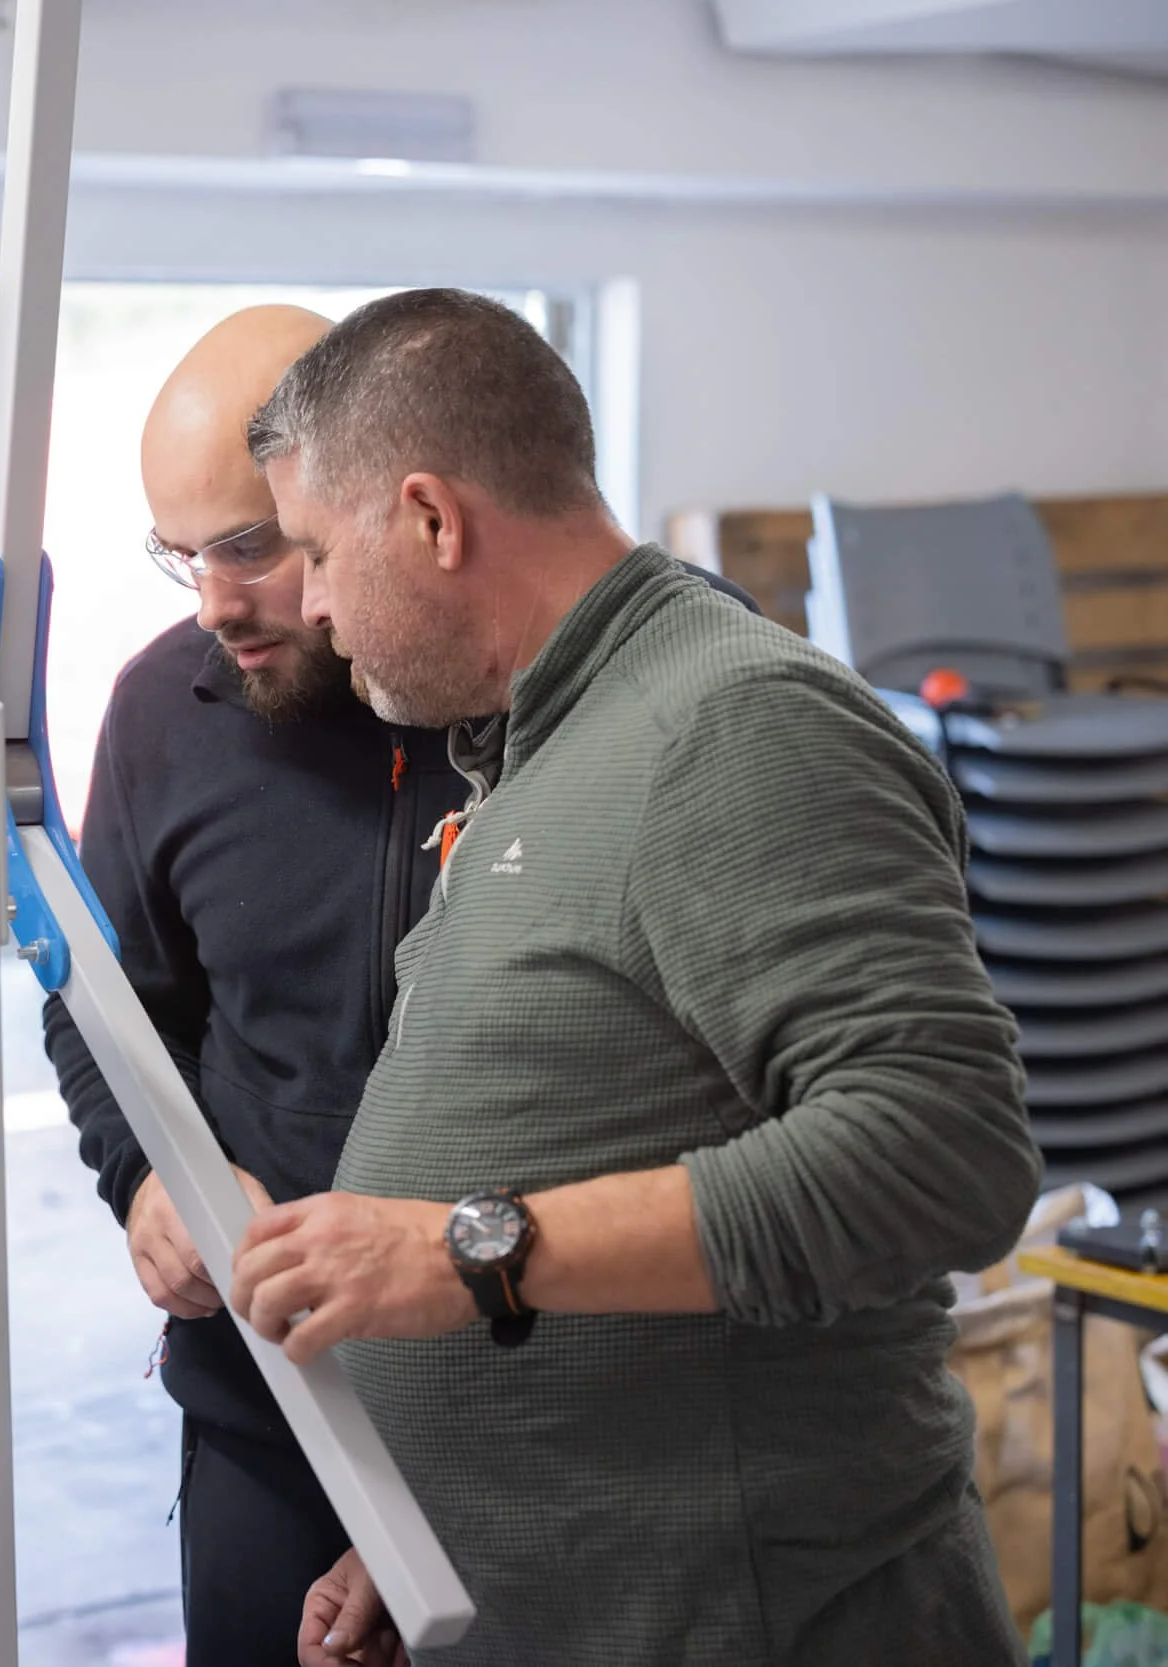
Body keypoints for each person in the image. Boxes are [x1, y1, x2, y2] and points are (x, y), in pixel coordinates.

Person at [225, 288, 1042, 1665]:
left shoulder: (734, 724)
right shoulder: (543, 737)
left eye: (312, 548)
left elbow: (943, 1148)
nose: (303, 600)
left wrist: (463, 1249)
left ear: (431, 518)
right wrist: (438, 1525)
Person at [42, 305, 459, 1666]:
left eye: (250, 546)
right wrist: (149, 1177)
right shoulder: (167, 706)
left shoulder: (510, 708)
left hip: (516, 1400)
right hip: (266, 1404)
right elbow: (104, 1001)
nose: (216, 602)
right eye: (181, 555)